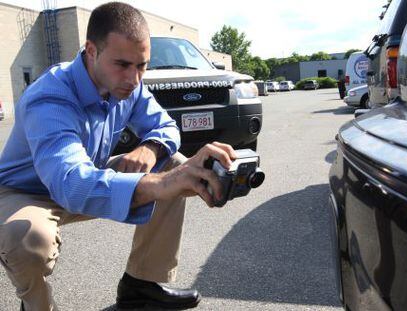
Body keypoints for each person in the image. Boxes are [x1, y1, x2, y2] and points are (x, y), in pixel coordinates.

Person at [0, 2, 236, 310]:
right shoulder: (50, 98)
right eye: (123, 64)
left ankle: (142, 285)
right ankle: (37, 306)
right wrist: (159, 185)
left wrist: (149, 149)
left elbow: (166, 127)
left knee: (173, 163)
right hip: (24, 194)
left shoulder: (128, 86)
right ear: (91, 51)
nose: (135, 79)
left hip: (85, 175)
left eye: (142, 66)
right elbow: (70, 184)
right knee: (28, 238)